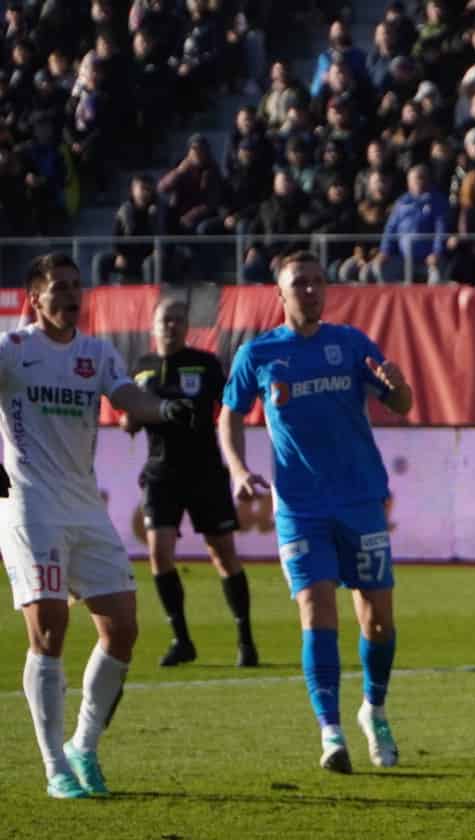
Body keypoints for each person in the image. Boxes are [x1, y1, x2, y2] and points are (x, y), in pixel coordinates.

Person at [1, 254, 196, 799]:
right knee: (49, 627)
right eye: (59, 288)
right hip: (30, 503)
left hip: (85, 506)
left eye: (76, 287)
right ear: (34, 300)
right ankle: (53, 765)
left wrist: (163, 409)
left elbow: (124, 395)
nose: (71, 295)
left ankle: (84, 748)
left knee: (123, 627)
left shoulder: (96, 352)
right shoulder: (14, 351)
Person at [219, 251, 414, 774]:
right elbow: (230, 415)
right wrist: (238, 469)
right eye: (297, 284)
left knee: (377, 621)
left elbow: (401, 404)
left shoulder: (349, 344)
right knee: (316, 609)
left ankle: (373, 709)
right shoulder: (258, 355)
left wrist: (398, 385)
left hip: (361, 500)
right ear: (279, 296)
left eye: (315, 282)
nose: (308, 291)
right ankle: (330, 731)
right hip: (300, 508)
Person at [126, 299, 258, 668]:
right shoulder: (142, 368)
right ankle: (181, 639)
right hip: (160, 472)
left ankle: (245, 640)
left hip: (205, 471)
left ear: (187, 326)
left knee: (223, 553)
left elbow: (230, 409)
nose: (170, 326)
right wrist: (130, 421)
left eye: (177, 320)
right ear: (152, 326)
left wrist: (237, 462)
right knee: (159, 552)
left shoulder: (206, 364)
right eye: (164, 320)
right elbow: (131, 416)